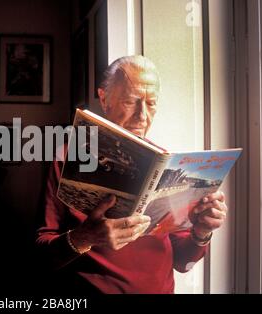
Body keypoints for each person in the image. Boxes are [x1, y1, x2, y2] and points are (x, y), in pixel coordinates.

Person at [35, 55, 228, 294]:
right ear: (104, 100)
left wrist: (201, 232)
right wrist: (84, 237)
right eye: (130, 102)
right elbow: (40, 258)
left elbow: (182, 262)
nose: (142, 116)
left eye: (151, 103)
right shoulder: (67, 158)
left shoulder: (162, 164)